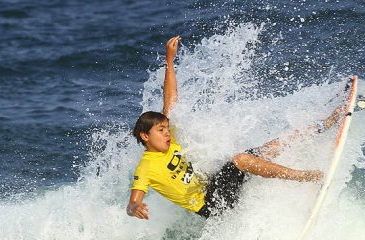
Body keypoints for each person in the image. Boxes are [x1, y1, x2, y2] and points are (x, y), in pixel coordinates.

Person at [126, 36, 343, 220]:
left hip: (215, 186)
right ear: (145, 136)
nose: (167, 133)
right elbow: (132, 203)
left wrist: (170, 60)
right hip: (212, 206)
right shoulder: (146, 168)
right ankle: (307, 177)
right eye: (161, 131)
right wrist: (136, 208)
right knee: (240, 160)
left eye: (166, 128)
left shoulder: (169, 141)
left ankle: (325, 124)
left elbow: (171, 100)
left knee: (267, 148)